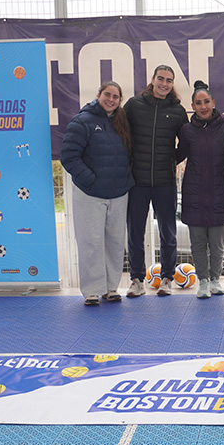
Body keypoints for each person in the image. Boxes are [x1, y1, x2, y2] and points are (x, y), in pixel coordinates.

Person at [61, 81, 134, 306]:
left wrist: (125, 179)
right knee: (91, 242)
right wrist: (90, 180)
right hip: (90, 194)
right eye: (107, 95)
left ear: (120, 100)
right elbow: (69, 156)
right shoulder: (82, 121)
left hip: (118, 194)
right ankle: (92, 290)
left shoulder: (122, 122)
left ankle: (111, 288)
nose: (111, 99)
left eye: (115, 97)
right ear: (99, 95)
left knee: (115, 243)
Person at [124, 65, 189, 297]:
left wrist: (171, 160)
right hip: (137, 182)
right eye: (160, 79)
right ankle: (136, 280)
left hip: (165, 182)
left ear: (172, 84)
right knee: (135, 233)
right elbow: (122, 134)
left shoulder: (178, 110)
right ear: (152, 80)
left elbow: (186, 143)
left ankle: (167, 279)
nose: (164, 83)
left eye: (169, 80)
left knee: (168, 233)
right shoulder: (134, 105)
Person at [177, 80, 224, 299]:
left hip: (219, 193)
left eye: (206, 102)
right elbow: (178, 155)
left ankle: (215, 280)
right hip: (193, 194)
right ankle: (202, 281)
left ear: (213, 102)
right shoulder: (186, 130)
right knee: (198, 243)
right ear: (192, 106)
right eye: (198, 103)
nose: (203, 106)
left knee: (218, 244)